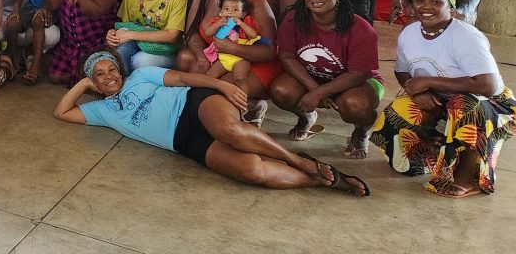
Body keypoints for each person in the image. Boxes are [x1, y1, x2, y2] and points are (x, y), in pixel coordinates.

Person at [55, 51, 369, 196]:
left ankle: (298, 160)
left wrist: (221, 86)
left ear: (122, 71)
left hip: (194, 104)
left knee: (229, 131)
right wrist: (83, 86)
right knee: (252, 171)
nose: (109, 76)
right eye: (100, 74)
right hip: (183, 142)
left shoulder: (139, 76)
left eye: (112, 69)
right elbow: (62, 112)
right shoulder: (102, 110)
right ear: (93, 82)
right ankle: (324, 180)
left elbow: (181, 77)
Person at [371, 0, 514, 197]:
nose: (426, 6)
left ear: (452, 6)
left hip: (488, 104)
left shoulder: (466, 36)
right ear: (410, 4)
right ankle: (428, 156)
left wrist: (428, 81)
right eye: (420, 0)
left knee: (465, 107)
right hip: (437, 97)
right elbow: (402, 72)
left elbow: (488, 85)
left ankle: (469, 178)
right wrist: (417, 93)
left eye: (437, 1)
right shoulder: (409, 33)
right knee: (398, 112)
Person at [269, 0, 383, 158]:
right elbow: (287, 57)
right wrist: (314, 88)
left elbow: (359, 73)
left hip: (356, 82)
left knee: (357, 105)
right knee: (282, 91)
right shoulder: (293, 19)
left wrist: (319, 93)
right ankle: (306, 117)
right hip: (313, 76)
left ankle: (361, 132)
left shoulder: (360, 27)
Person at [179, 0, 283, 125]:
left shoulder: (256, 2)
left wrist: (233, 48)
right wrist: (201, 57)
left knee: (219, 91)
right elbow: (192, 33)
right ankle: (251, 105)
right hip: (218, 57)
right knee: (185, 57)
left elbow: (269, 51)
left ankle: (243, 112)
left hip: (251, 63)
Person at [199, 0, 262, 92]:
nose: (230, 12)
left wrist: (241, 23)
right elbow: (207, 33)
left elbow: (253, 35)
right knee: (210, 76)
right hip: (224, 58)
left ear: (243, 14)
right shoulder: (218, 22)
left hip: (241, 58)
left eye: (235, 10)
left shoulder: (245, 23)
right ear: (221, 11)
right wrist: (217, 24)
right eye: (226, 9)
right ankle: (208, 96)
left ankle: (243, 102)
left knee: (239, 78)